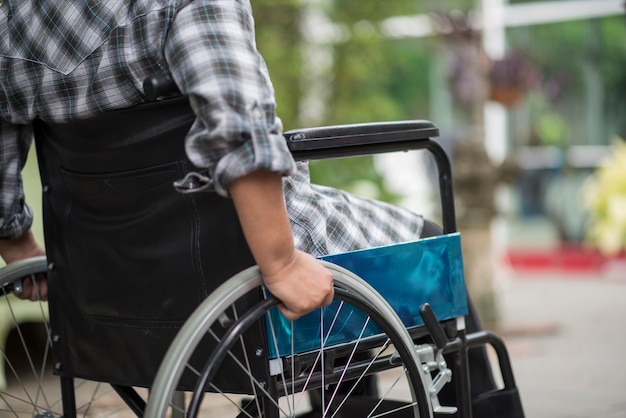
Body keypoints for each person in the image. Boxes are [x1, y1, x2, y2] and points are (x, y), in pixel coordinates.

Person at [0, 1, 521, 415]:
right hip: (237, 265)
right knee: (426, 245)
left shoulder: (17, 15)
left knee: (347, 284)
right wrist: (281, 262)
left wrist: (16, 241)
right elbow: (238, 129)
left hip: (113, 290)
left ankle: (350, 401)